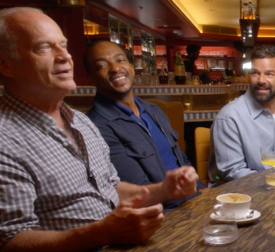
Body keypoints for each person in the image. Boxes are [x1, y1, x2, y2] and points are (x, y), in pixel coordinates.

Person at [0, 7, 198, 252]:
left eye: (63, 45)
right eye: (43, 47)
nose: (64, 57)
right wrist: (103, 232)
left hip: (106, 248)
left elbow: (110, 186)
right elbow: (10, 250)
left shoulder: (79, 122)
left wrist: (163, 190)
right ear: (3, 63)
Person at [84, 40, 204, 210]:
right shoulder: (97, 127)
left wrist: (200, 188)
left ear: (132, 67)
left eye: (120, 60)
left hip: (192, 201)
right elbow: (138, 191)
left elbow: (179, 157)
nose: (115, 68)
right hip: (164, 213)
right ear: (91, 78)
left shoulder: (153, 110)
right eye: (102, 65)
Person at [210, 44, 275, 182]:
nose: (261, 81)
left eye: (269, 74)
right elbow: (233, 172)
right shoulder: (229, 117)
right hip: (239, 195)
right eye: (255, 73)